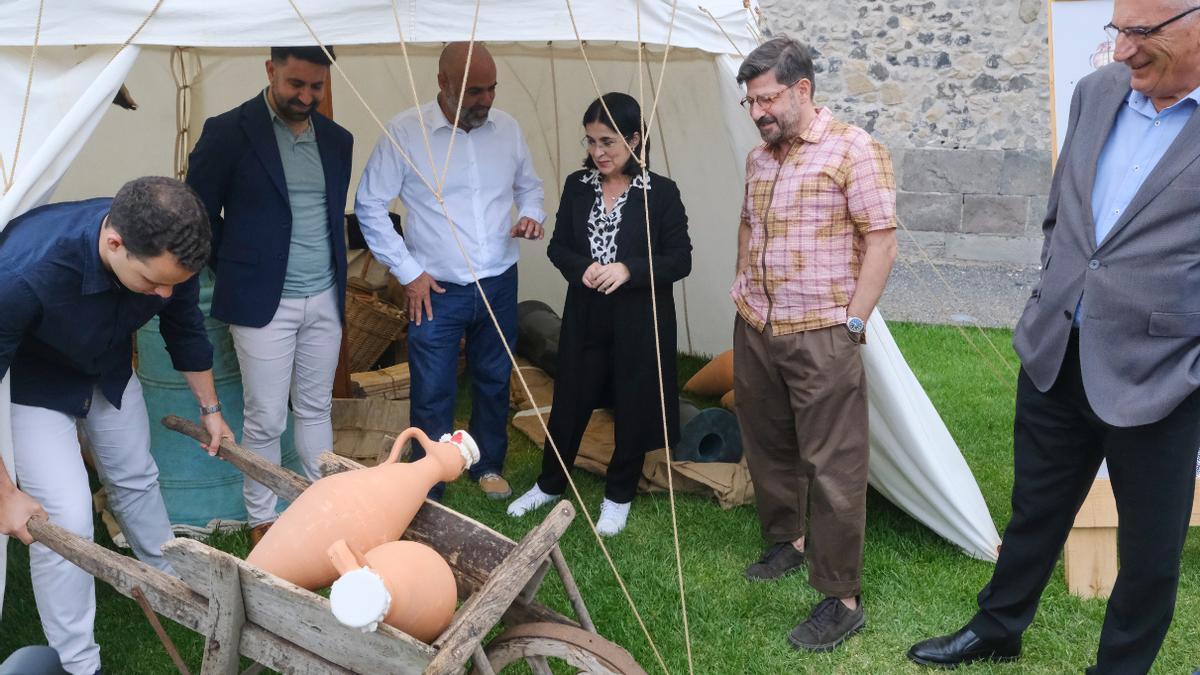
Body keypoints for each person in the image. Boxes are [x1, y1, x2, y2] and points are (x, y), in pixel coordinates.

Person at [908, 1, 1200, 672]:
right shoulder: (1097, 91)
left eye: (1142, 33)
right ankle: (999, 625)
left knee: (1151, 550)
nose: (1122, 50)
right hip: (1056, 350)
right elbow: (1063, 210)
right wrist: (1054, 288)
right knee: (1034, 508)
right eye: (1117, 30)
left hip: (1160, 375)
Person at [0, 176, 233, 675]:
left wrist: (210, 409)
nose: (166, 292)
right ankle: (77, 663)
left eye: (175, 281)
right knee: (66, 522)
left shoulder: (172, 246)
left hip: (106, 368)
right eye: (154, 283)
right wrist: (5, 493)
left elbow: (184, 325)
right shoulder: (23, 272)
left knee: (136, 478)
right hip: (32, 387)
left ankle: (170, 587)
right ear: (114, 243)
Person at [730, 36, 898, 652]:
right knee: (767, 439)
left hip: (824, 332)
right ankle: (788, 540)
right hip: (757, 326)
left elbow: (881, 242)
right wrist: (741, 284)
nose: (757, 112)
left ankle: (841, 596)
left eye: (767, 98)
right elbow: (749, 222)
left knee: (833, 466)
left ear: (802, 89)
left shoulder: (855, 150)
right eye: (750, 101)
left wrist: (853, 323)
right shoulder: (760, 158)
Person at [355, 41, 544, 500]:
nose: (485, 100)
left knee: (494, 377)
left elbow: (530, 186)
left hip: (499, 279)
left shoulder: (508, 129)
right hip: (435, 287)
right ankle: (430, 481)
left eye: (491, 89)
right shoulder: (405, 131)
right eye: (474, 91)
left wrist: (532, 213)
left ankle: (488, 464)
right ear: (442, 83)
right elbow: (370, 205)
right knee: (434, 387)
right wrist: (408, 271)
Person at [186, 46, 354, 545]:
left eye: (316, 87)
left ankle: (320, 507)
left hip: (325, 294)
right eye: (295, 84)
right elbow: (197, 215)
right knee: (265, 415)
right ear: (270, 71)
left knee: (316, 407)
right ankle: (263, 517)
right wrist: (236, 269)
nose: (305, 96)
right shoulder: (227, 132)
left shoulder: (338, 139)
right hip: (263, 303)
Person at [505, 93, 692, 535]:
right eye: (590, 142)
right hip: (586, 313)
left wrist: (629, 269)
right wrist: (582, 267)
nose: (598, 152)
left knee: (632, 402)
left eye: (607, 142)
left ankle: (618, 494)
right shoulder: (577, 185)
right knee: (570, 398)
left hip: (640, 319)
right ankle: (550, 484)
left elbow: (680, 259)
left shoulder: (660, 193)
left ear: (634, 139)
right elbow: (558, 247)